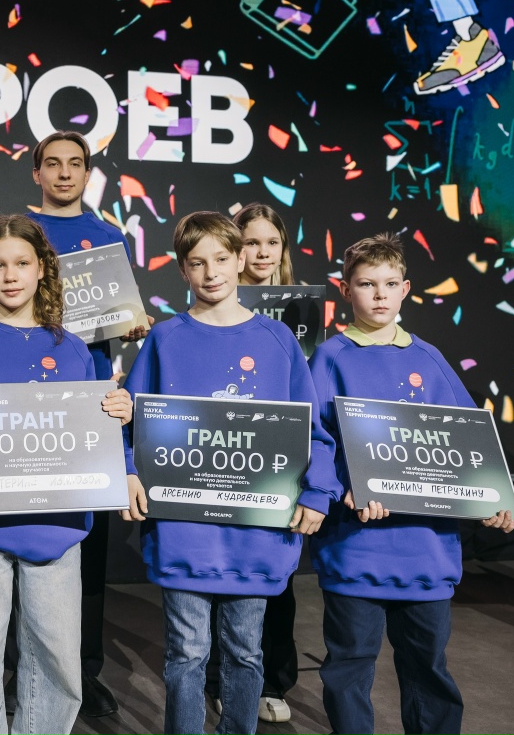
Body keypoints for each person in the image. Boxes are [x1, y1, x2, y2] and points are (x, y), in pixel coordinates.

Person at [0, 214, 134, 735]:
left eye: (21, 263)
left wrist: (118, 418)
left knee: (58, 664)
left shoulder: (74, 349)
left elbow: (96, 428)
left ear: (42, 270)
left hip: (56, 528)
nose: (10, 275)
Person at [122, 211, 340, 735]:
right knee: (186, 653)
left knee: (245, 652)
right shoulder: (164, 339)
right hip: (184, 529)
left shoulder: (279, 340)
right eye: (197, 263)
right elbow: (128, 420)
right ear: (182, 270)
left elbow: (311, 429)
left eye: (221, 258)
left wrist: (318, 491)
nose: (211, 272)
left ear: (241, 259)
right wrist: (128, 472)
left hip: (256, 531)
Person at [309, 232, 514, 735]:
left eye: (389, 283)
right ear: (345, 290)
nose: (379, 294)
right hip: (357, 548)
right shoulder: (330, 357)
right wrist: (344, 487)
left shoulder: (428, 357)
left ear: (405, 289)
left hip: (426, 550)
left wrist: (492, 496)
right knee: (350, 666)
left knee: (428, 668)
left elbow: (467, 438)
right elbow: (313, 439)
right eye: (366, 284)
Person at [24, 130, 149, 718]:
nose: (64, 173)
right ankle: (21, 670)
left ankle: (85, 670)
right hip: (26, 400)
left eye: (75, 164)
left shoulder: (108, 238)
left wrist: (131, 323)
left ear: (87, 173)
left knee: (87, 546)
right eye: (53, 164)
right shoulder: (20, 231)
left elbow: (116, 316)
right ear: (37, 173)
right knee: (27, 538)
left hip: (90, 400)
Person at [203, 203, 301, 723]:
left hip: (276, 467)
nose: (262, 253)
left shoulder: (299, 314)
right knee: (216, 582)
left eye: (272, 242)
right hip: (221, 463)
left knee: (276, 585)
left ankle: (271, 681)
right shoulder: (211, 306)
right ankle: (224, 680)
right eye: (252, 242)